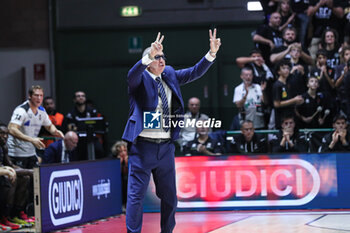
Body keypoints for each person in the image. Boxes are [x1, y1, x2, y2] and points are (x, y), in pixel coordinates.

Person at [122, 29, 221, 233]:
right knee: (135, 197)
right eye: (156, 57)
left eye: (162, 57)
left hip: (166, 148)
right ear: (148, 61)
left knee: (170, 198)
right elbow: (132, 75)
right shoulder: (140, 79)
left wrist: (211, 54)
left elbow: (194, 72)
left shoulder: (169, 74)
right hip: (143, 147)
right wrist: (149, 55)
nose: (161, 60)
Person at [7, 85, 64, 169]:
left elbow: (49, 126)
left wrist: (55, 131)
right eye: (36, 95)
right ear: (29, 96)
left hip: (31, 152)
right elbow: (11, 129)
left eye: (41, 95)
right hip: (16, 153)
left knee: (36, 179)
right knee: (22, 180)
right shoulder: (22, 110)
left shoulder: (42, 110)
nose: (39, 98)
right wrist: (32, 139)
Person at [0, 124, 33, 230]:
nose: (5, 136)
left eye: (6, 134)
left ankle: (15, 214)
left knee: (24, 178)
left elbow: (9, 165)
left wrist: (26, 172)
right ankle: (3, 217)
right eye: (2, 133)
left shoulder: (4, 146)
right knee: (8, 179)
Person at [62, 91, 104, 160]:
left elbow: (98, 124)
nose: (81, 98)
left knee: (99, 150)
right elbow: (69, 128)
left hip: (92, 137)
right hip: (78, 140)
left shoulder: (92, 111)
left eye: (83, 96)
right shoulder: (71, 114)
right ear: (74, 100)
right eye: (78, 96)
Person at [272, 59, 304, 129]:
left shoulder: (288, 84)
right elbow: (276, 104)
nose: (286, 70)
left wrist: (297, 101)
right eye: (283, 68)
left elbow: (288, 100)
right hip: (281, 120)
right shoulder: (277, 85)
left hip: (290, 117)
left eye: (288, 68)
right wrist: (294, 100)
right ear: (278, 71)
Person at [110, 140, 128, 208]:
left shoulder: (131, 158)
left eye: (124, 151)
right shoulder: (113, 159)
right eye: (120, 152)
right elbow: (115, 175)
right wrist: (118, 164)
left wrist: (126, 164)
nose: (123, 153)